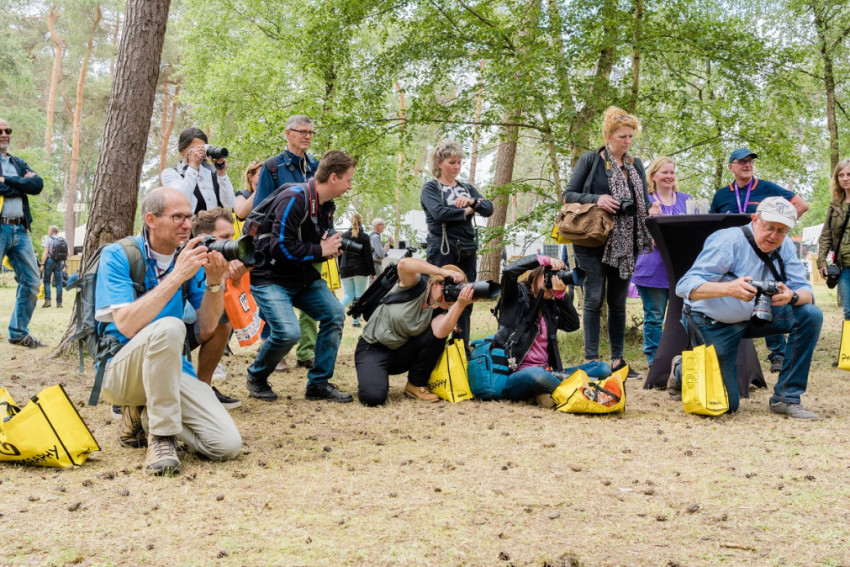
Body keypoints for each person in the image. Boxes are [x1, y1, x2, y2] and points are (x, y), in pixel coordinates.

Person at [95, 187, 241, 475]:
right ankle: (162, 437)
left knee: (226, 445)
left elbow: (209, 326)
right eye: (177, 217)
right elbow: (125, 322)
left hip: (174, 370)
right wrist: (178, 275)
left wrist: (214, 283)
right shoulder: (119, 255)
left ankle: (144, 416)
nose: (187, 225)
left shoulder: (190, 258)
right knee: (171, 327)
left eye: (189, 217)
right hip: (121, 371)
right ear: (151, 219)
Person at [675, 197, 822, 419]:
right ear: (755, 219)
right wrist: (729, 289)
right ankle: (682, 369)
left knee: (810, 315)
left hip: (756, 314)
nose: (774, 236)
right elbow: (684, 286)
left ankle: (786, 397)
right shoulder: (727, 241)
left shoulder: (786, 246)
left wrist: (792, 296)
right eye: (769, 227)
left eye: (782, 231)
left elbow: (807, 294)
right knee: (725, 405)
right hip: (714, 321)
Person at [246, 150, 356, 403]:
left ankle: (318, 384)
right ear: (333, 178)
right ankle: (257, 376)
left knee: (335, 314)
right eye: (348, 180)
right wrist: (320, 249)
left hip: (302, 276)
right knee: (288, 333)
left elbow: (310, 244)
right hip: (270, 276)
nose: (350, 186)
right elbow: (279, 247)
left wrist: (327, 247)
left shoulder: (327, 205)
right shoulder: (294, 198)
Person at [562, 106, 660, 380]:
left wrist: (650, 209)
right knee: (593, 299)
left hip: (626, 240)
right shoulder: (591, 160)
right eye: (622, 137)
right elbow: (568, 194)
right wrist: (597, 199)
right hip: (593, 238)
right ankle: (592, 361)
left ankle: (618, 361)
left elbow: (641, 198)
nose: (627, 142)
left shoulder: (635, 164)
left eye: (630, 137)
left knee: (618, 303)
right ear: (609, 135)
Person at [709, 148, 810, 374]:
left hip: (765, 254)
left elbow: (801, 205)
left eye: (750, 162)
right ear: (730, 167)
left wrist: (778, 231)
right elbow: (712, 223)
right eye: (741, 162)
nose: (747, 165)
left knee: (770, 296)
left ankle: (777, 355)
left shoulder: (768, 189)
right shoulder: (722, 195)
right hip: (734, 258)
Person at [489, 255, 612, 407]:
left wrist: (561, 296)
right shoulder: (515, 297)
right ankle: (583, 391)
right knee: (537, 375)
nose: (553, 281)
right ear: (535, 275)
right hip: (517, 376)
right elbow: (508, 272)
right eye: (549, 275)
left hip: (549, 373)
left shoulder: (550, 306)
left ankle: (549, 392)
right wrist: (541, 259)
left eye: (558, 276)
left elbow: (572, 325)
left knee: (602, 368)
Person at [355, 258, 474, 406]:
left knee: (437, 335)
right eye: (450, 289)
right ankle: (373, 374)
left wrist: (460, 305)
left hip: (400, 355)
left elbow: (440, 333)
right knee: (373, 397)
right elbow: (404, 264)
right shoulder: (414, 286)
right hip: (373, 348)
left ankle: (416, 384)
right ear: (436, 283)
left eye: (457, 292)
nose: (452, 297)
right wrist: (442, 271)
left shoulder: (440, 312)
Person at [254, 115, 322, 370]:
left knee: (311, 296)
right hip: (279, 244)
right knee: (276, 295)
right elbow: (260, 209)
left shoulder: (316, 167)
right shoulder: (273, 167)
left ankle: (307, 351)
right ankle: (273, 347)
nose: (307, 136)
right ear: (288, 133)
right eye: (302, 131)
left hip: (311, 245)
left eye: (311, 132)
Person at [420, 141, 494, 347]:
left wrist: (472, 202)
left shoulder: (466, 188)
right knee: (440, 298)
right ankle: (434, 347)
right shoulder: (431, 187)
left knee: (467, 298)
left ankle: (461, 349)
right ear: (440, 162)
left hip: (467, 251)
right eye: (452, 162)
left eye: (460, 162)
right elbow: (439, 213)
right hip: (442, 250)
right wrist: (468, 211)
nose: (457, 167)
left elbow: (488, 208)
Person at [185, 207, 250, 409]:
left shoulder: (216, 262)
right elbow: (190, 313)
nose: (231, 242)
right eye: (224, 237)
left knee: (222, 321)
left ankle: (204, 388)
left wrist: (233, 278)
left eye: (232, 236)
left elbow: (219, 309)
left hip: (185, 332)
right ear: (205, 238)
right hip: (163, 332)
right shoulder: (187, 258)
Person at [632, 157, 692, 367]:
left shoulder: (687, 199)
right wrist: (651, 238)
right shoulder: (645, 200)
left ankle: (681, 359)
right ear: (653, 176)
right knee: (655, 317)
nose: (668, 176)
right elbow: (635, 233)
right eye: (664, 172)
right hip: (652, 269)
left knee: (684, 317)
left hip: (681, 270)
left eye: (671, 172)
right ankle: (654, 359)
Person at [0, 118, 45, 348]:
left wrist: (6, 179)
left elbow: (37, 185)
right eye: (0, 131)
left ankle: (18, 332)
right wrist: (20, 184)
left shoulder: (17, 162)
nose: (4, 134)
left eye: (8, 130)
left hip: (21, 228)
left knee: (32, 280)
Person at [160, 126, 236, 214]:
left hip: (215, 226)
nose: (198, 152)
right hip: (190, 226)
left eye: (202, 148)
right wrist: (193, 166)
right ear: (182, 150)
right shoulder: (170, 174)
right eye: (194, 148)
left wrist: (221, 174)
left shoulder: (212, 173)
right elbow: (180, 200)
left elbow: (230, 203)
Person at [818, 158, 850, 321]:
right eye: (841, 175)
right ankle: (848, 347)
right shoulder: (834, 205)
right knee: (849, 312)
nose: (845, 178)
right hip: (844, 267)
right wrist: (822, 261)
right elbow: (826, 236)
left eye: (849, 174)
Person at [338, 213, 375, 327]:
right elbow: (368, 256)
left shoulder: (343, 235)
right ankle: (355, 321)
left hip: (345, 269)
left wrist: (341, 269)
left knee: (348, 295)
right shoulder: (364, 237)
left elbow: (339, 254)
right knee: (359, 296)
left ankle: (334, 312)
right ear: (361, 222)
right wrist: (373, 272)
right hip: (360, 269)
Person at [233, 160, 263, 239]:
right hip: (248, 240)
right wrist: (260, 189)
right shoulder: (242, 195)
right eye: (261, 175)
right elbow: (241, 213)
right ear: (250, 177)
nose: (264, 177)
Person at [41, 225, 65, 308]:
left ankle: (48, 301)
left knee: (47, 281)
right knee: (59, 282)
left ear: (51, 231)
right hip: (59, 262)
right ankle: (59, 303)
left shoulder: (48, 239)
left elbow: (45, 253)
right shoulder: (62, 239)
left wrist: (42, 264)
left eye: (49, 230)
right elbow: (68, 252)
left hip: (50, 261)